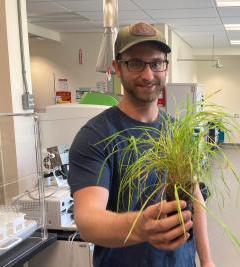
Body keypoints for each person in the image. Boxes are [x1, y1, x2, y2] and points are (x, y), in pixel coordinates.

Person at [68, 22, 215, 267]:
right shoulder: (96, 135)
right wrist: (140, 228)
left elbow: (195, 196)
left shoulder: (178, 131)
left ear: (165, 67)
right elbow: (87, 221)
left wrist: (207, 260)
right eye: (135, 63)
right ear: (117, 67)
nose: (148, 75)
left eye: (156, 63)